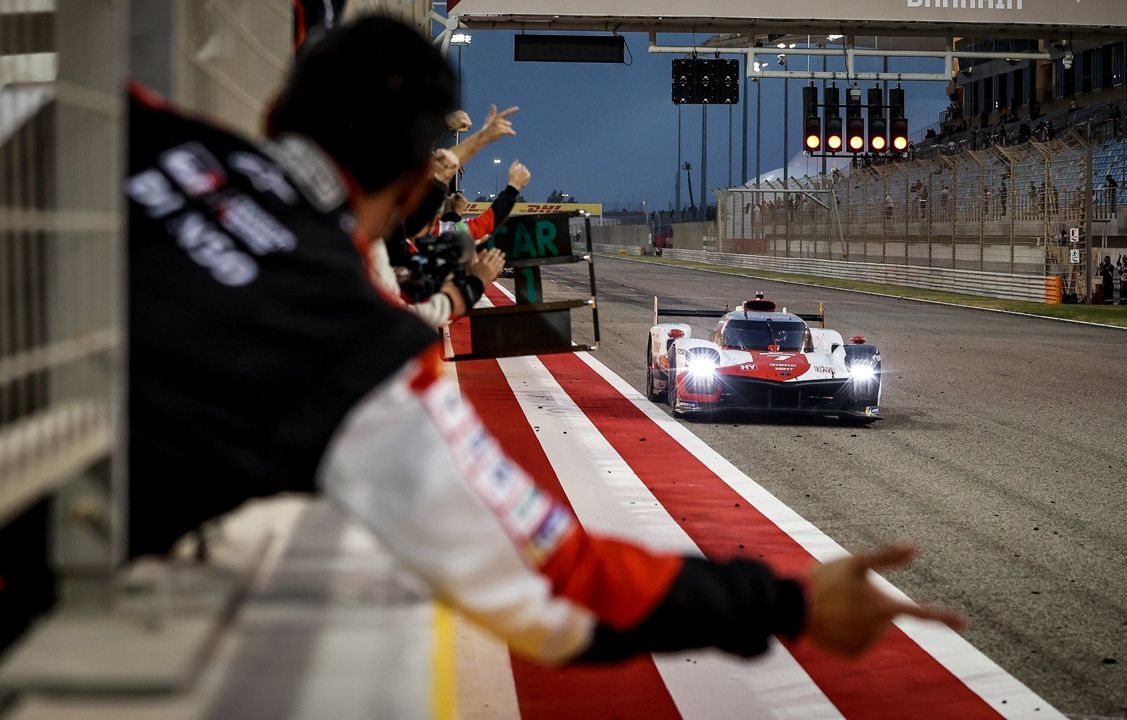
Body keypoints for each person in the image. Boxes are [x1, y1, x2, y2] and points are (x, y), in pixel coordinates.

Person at [126, 15, 961, 669]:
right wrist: (791, 605)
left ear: (276, 111)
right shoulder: (366, 354)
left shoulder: (136, 127)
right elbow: (551, 578)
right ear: (421, 181)